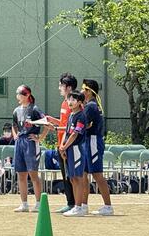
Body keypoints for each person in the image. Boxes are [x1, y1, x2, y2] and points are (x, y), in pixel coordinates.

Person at [12, 85, 47, 213]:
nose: (17, 96)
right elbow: (14, 125)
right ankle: (24, 204)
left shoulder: (34, 109)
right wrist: (15, 135)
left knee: (33, 173)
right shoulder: (16, 110)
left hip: (31, 142)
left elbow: (46, 123)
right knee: (21, 174)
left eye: (20, 94)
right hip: (20, 142)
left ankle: (38, 203)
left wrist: (40, 137)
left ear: (27, 95)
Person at [46, 73, 77, 214]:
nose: (59, 88)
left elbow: (72, 128)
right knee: (65, 175)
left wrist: (56, 128)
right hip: (61, 143)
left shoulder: (73, 104)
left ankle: (75, 203)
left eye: (61, 85)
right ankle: (70, 202)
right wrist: (52, 120)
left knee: (72, 176)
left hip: (68, 144)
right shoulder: (64, 103)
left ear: (69, 87)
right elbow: (64, 123)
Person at [82, 79, 114, 216]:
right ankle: (83, 205)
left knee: (97, 174)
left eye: (84, 89)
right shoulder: (91, 105)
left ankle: (108, 206)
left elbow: (84, 125)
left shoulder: (91, 106)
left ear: (89, 91)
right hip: (88, 141)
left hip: (93, 141)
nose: (81, 91)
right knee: (84, 174)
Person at [59, 91, 89, 217]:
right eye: (69, 99)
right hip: (69, 149)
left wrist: (65, 146)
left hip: (76, 149)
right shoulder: (71, 115)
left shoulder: (81, 116)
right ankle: (77, 206)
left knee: (78, 178)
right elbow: (67, 132)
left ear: (80, 102)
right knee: (72, 178)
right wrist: (62, 146)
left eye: (73, 99)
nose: (70, 102)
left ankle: (79, 207)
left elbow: (75, 134)